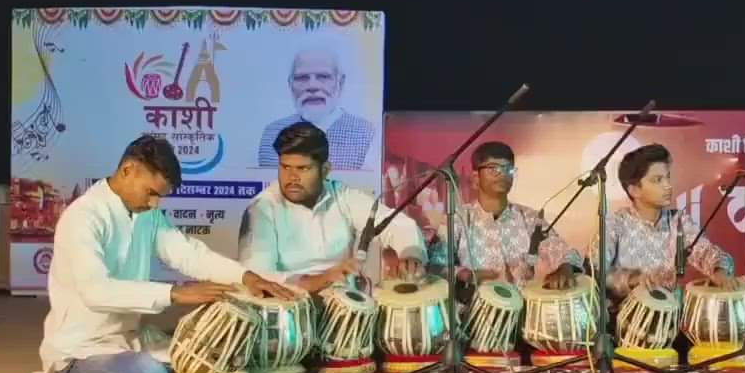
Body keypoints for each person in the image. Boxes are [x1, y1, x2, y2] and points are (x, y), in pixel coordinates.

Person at [34, 135, 294, 373]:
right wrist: (174, 293)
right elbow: (95, 291)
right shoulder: (83, 217)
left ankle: (175, 370)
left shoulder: (146, 215)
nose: (154, 203)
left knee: (209, 352)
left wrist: (246, 277)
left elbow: (188, 254)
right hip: (80, 350)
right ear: (128, 170)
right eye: (151, 193)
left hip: (129, 340)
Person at [239, 122, 426, 294]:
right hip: (287, 311)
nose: (292, 177)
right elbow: (258, 276)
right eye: (285, 167)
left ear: (325, 170)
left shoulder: (341, 195)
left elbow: (399, 225)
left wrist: (411, 255)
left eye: (303, 168)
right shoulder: (263, 208)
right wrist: (321, 279)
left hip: (342, 305)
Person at [426, 141, 582, 295]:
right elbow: (435, 266)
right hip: (471, 313)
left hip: (522, 311)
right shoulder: (457, 218)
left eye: (509, 169)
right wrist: (464, 273)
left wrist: (565, 267)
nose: (502, 175)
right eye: (494, 169)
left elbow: (563, 251)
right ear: (475, 178)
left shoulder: (529, 218)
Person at [590, 143, 737, 305]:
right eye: (657, 180)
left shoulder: (679, 222)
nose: (668, 185)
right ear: (634, 190)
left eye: (667, 177)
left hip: (671, 316)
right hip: (619, 318)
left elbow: (706, 251)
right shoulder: (615, 224)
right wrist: (632, 279)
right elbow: (595, 270)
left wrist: (719, 270)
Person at [256, 45, 376, 170]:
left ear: (340, 82)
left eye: (323, 76)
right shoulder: (272, 133)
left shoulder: (366, 133)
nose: (312, 86)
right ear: (290, 85)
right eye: (302, 78)